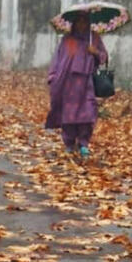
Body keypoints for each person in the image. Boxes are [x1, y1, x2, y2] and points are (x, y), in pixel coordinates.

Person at [45, 13, 108, 158]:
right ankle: (69, 143)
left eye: (84, 21)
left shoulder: (94, 38)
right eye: (78, 21)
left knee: (87, 113)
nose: (81, 24)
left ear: (88, 23)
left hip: (86, 83)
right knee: (69, 114)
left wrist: (95, 52)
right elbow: (58, 59)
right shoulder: (67, 40)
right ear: (74, 23)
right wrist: (53, 77)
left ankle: (84, 143)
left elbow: (104, 58)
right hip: (67, 83)